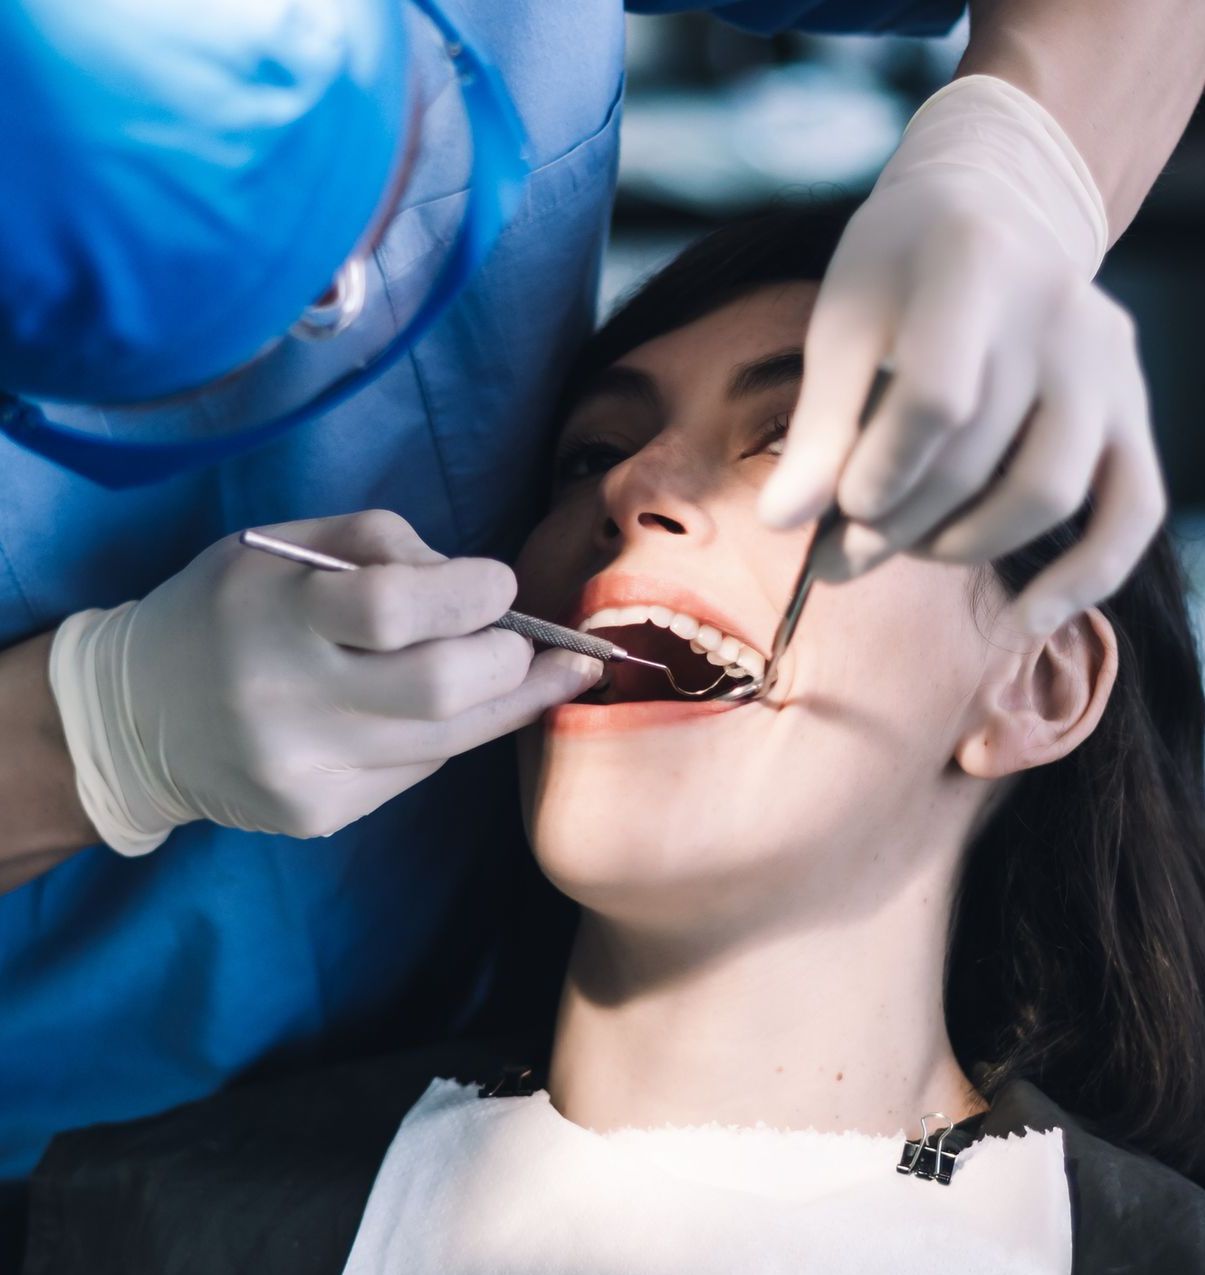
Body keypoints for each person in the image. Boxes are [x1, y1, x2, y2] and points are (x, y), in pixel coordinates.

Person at [2, 0, 1203, 1258]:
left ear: (1041, 677)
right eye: (588, 454)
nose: (628, 494)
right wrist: (92, 731)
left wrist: (1022, 164)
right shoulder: (130, 1226)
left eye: (800, 437)